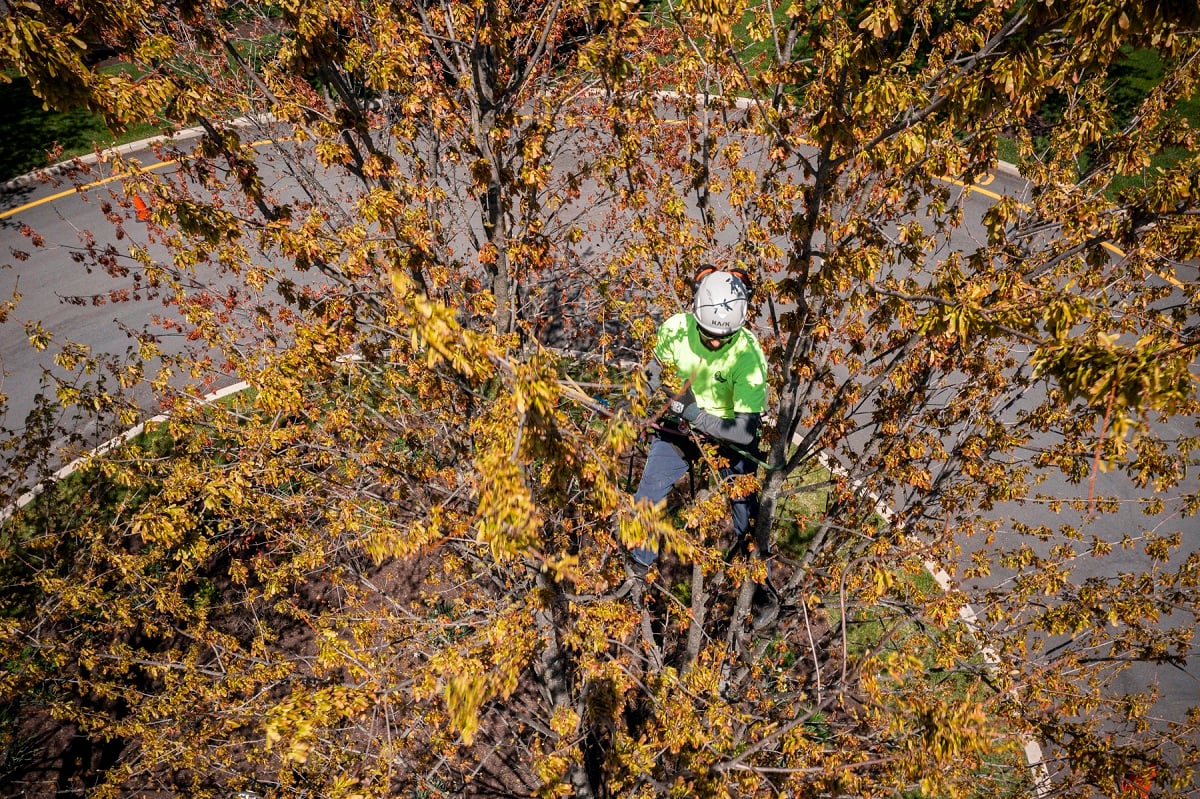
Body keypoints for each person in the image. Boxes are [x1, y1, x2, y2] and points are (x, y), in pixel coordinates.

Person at [626, 265, 777, 622]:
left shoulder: (749, 358)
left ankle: (760, 588)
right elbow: (655, 372)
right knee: (649, 490)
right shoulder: (676, 330)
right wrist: (632, 402)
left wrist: (695, 414)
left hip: (726, 434)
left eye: (720, 338)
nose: (712, 342)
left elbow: (743, 433)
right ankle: (638, 561)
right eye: (706, 333)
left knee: (745, 510)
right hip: (680, 424)